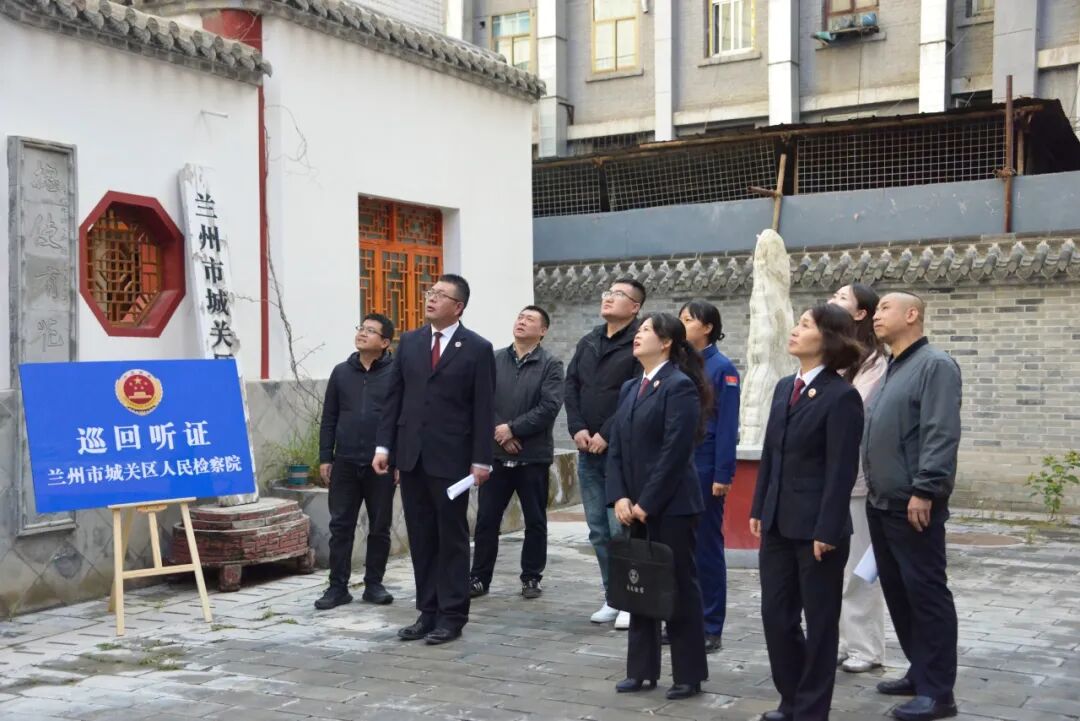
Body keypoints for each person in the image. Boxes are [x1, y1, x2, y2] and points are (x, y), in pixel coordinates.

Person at [750, 303, 865, 721]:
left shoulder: (842, 396)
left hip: (817, 529)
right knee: (776, 617)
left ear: (828, 338)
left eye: (805, 325)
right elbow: (771, 453)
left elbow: (841, 469)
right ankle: (791, 698)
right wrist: (760, 505)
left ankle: (812, 709)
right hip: (778, 522)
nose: (794, 330)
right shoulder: (786, 387)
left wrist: (828, 528)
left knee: (819, 622)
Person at [372, 274, 495, 646]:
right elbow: (394, 397)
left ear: (458, 307)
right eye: (430, 292)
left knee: (451, 539)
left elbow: (483, 407)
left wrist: (482, 460)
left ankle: (452, 615)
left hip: (453, 460)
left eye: (441, 295)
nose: (431, 298)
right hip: (412, 457)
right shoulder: (409, 342)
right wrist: (384, 447)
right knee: (421, 537)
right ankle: (427, 612)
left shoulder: (477, 348)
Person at [864, 292, 962, 721]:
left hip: (913, 502)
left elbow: (941, 431)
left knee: (926, 594)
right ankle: (920, 671)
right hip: (882, 501)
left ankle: (939, 693)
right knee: (899, 592)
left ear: (912, 314)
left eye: (885, 308)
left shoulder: (935, 365)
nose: (876, 315)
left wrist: (926, 488)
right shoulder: (894, 367)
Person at [606, 312, 711, 701]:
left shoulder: (679, 386)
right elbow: (617, 446)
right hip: (632, 504)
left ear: (666, 342)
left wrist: (647, 502)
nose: (638, 336)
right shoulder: (631, 387)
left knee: (678, 586)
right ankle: (641, 670)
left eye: (646, 330)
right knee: (639, 584)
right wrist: (620, 496)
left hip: (672, 506)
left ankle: (688, 674)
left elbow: (675, 452)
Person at [564, 278, 645, 627]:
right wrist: (577, 428)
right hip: (588, 451)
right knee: (598, 529)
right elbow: (571, 385)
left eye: (618, 295)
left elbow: (637, 393)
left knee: (620, 529)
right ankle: (613, 595)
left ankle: (633, 597)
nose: (608, 298)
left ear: (635, 307)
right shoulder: (589, 341)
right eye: (607, 293)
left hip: (621, 454)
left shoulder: (640, 341)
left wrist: (607, 434)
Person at [470, 306, 564, 600]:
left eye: (530, 319)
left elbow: (549, 406)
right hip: (496, 456)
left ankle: (531, 577)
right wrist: (500, 432)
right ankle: (479, 577)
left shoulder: (551, 364)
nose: (522, 322)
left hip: (532, 456)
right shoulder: (494, 359)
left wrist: (513, 429)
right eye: (520, 317)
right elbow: (479, 400)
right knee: (487, 520)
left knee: (535, 521)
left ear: (543, 331)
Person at [314, 314, 397, 610]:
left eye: (371, 331)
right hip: (346, 462)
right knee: (341, 526)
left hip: (381, 464)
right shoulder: (341, 372)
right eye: (361, 328)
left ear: (384, 343)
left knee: (380, 526)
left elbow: (402, 419)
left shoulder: (396, 374)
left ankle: (374, 584)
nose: (362, 333)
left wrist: (398, 460)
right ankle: (337, 587)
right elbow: (329, 417)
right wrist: (326, 457)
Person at [828, 284, 889, 674]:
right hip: (826, 478)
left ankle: (866, 647)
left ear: (861, 313)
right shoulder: (833, 358)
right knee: (830, 566)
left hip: (857, 480)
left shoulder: (874, 363)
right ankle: (840, 640)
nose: (830, 301)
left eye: (840, 298)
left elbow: (854, 410)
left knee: (857, 568)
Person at [679, 300, 740, 654]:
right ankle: (682, 620)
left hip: (704, 466)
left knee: (705, 547)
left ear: (707, 327)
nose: (682, 324)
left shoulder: (722, 368)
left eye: (688, 320)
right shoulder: (678, 364)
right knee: (678, 547)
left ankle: (710, 624)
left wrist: (723, 472)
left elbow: (728, 425)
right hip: (677, 464)